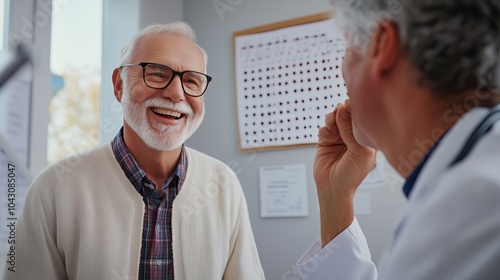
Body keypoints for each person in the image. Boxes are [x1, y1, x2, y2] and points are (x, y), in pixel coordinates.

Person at [3, 22, 265, 280]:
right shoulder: (53, 188)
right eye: (157, 74)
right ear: (119, 85)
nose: (175, 93)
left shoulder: (223, 184)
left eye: (192, 81)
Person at [296, 0, 500, 279]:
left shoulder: (473, 203)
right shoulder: (473, 171)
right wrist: (335, 198)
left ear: (381, 46)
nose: (343, 71)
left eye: (348, 48)